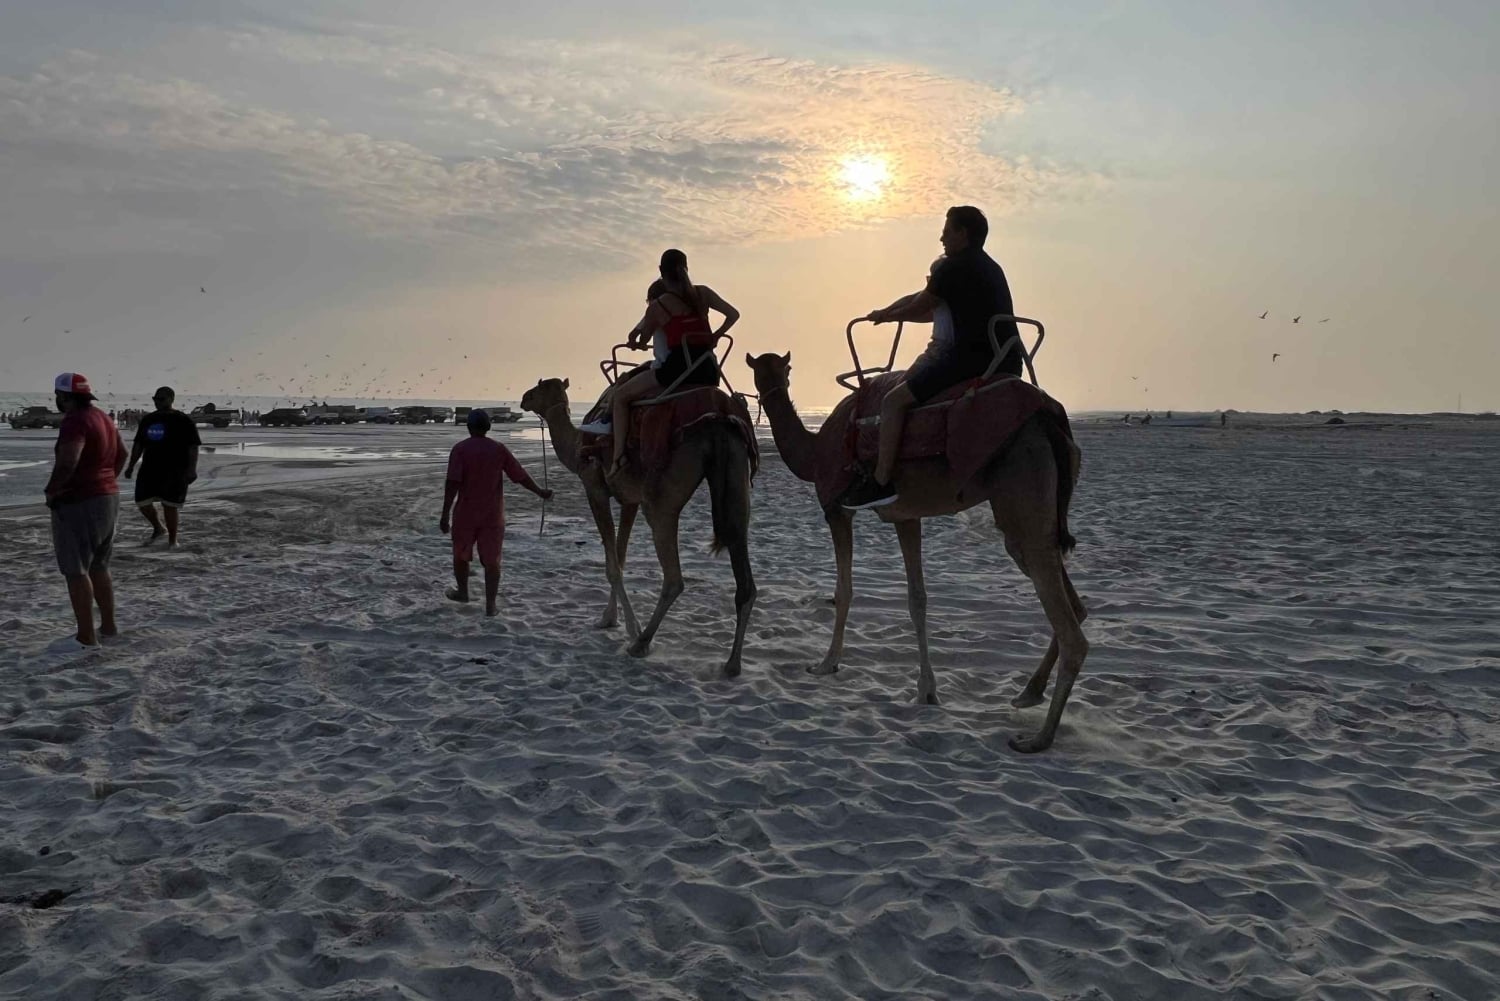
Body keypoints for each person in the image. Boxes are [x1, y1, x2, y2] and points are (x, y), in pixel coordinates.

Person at [837, 205, 1021, 510]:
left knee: (893, 401)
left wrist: (886, 316)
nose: (942, 237)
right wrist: (888, 312)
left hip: (970, 360)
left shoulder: (953, 267)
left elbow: (919, 304)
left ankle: (882, 480)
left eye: (947, 231)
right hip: (1009, 358)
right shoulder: (989, 266)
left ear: (963, 234)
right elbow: (923, 303)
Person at [605, 249, 739, 476]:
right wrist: (716, 335)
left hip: (678, 371)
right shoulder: (703, 294)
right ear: (686, 267)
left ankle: (618, 458)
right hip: (708, 369)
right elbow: (733, 314)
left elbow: (643, 338)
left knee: (620, 397)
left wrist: (635, 341)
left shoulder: (660, 305)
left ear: (661, 272)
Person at [439, 408, 553, 616]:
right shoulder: (498, 449)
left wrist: (445, 514)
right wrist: (540, 492)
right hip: (493, 515)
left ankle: (463, 592)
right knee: (492, 560)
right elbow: (520, 476)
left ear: (469, 427)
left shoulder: (460, 449)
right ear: (488, 427)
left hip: (465, 513)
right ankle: (490, 605)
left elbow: (452, 484)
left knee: (460, 555)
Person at [43, 373, 126, 649]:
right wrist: (106, 480)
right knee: (99, 565)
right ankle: (109, 627)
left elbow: (69, 460)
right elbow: (122, 454)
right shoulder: (102, 416)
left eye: (57, 395)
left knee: (76, 570)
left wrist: (53, 490)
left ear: (63, 396)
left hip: (80, 501)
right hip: (108, 497)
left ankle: (86, 636)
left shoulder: (74, 421)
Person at [124, 386, 201, 547]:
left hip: (176, 468)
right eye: (155, 399)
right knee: (142, 501)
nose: (157, 402)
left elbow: (193, 446)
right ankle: (159, 528)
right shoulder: (148, 419)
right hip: (150, 468)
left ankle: (173, 540)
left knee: (170, 504)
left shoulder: (183, 419)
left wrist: (192, 469)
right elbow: (139, 444)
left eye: (161, 399)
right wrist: (131, 465)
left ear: (171, 399)